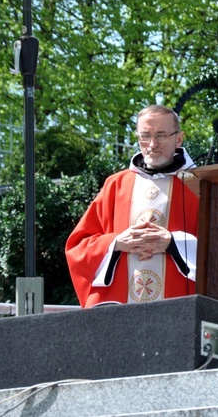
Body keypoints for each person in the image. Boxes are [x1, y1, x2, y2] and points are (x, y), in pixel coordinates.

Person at [66, 104, 200, 307]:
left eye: (161, 135)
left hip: (179, 306)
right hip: (121, 310)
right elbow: (78, 247)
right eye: (145, 136)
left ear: (179, 138)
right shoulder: (116, 185)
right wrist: (117, 243)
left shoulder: (199, 184)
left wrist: (173, 244)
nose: (152, 144)